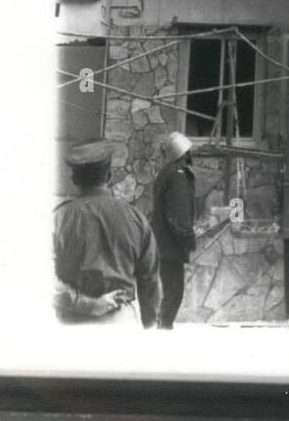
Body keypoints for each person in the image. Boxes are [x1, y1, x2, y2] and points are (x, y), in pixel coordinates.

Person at [53, 140, 160, 327]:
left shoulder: (59, 218)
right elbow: (150, 281)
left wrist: (84, 303)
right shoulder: (136, 218)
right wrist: (150, 325)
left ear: (75, 179)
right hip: (120, 323)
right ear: (109, 176)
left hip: (70, 324)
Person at [150, 131, 197, 330]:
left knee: (170, 292)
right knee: (174, 294)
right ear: (183, 153)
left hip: (162, 243)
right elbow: (177, 214)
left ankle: (162, 326)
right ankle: (163, 331)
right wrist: (188, 238)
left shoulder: (166, 172)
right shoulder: (177, 175)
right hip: (170, 246)